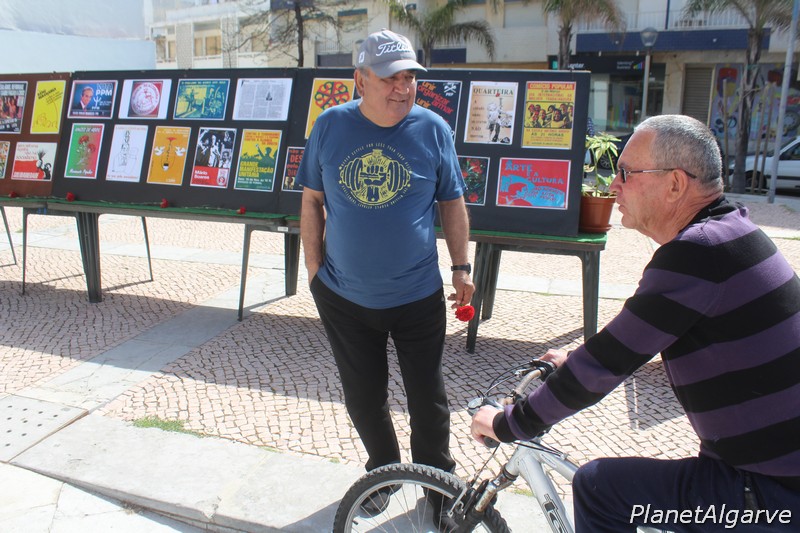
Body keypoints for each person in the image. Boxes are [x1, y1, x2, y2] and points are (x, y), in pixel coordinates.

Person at [471, 114, 800, 532]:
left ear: (675, 184)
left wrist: (509, 423)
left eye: (626, 173)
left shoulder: (697, 254)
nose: (613, 185)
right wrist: (574, 358)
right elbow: (633, 338)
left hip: (768, 494)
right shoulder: (732, 231)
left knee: (599, 487)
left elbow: (606, 365)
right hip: (773, 471)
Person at [295, 27, 474, 491]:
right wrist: (313, 270)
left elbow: (452, 201)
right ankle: (383, 475)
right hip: (344, 298)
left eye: (409, 77)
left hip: (418, 296)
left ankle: (437, 485)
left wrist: (461, 267)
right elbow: (311, 199)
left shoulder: (432, 129)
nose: (402, 88)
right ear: (361, 80)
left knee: (428, 400)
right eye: (390, 78)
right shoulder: (329, 126)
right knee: (363, 398)